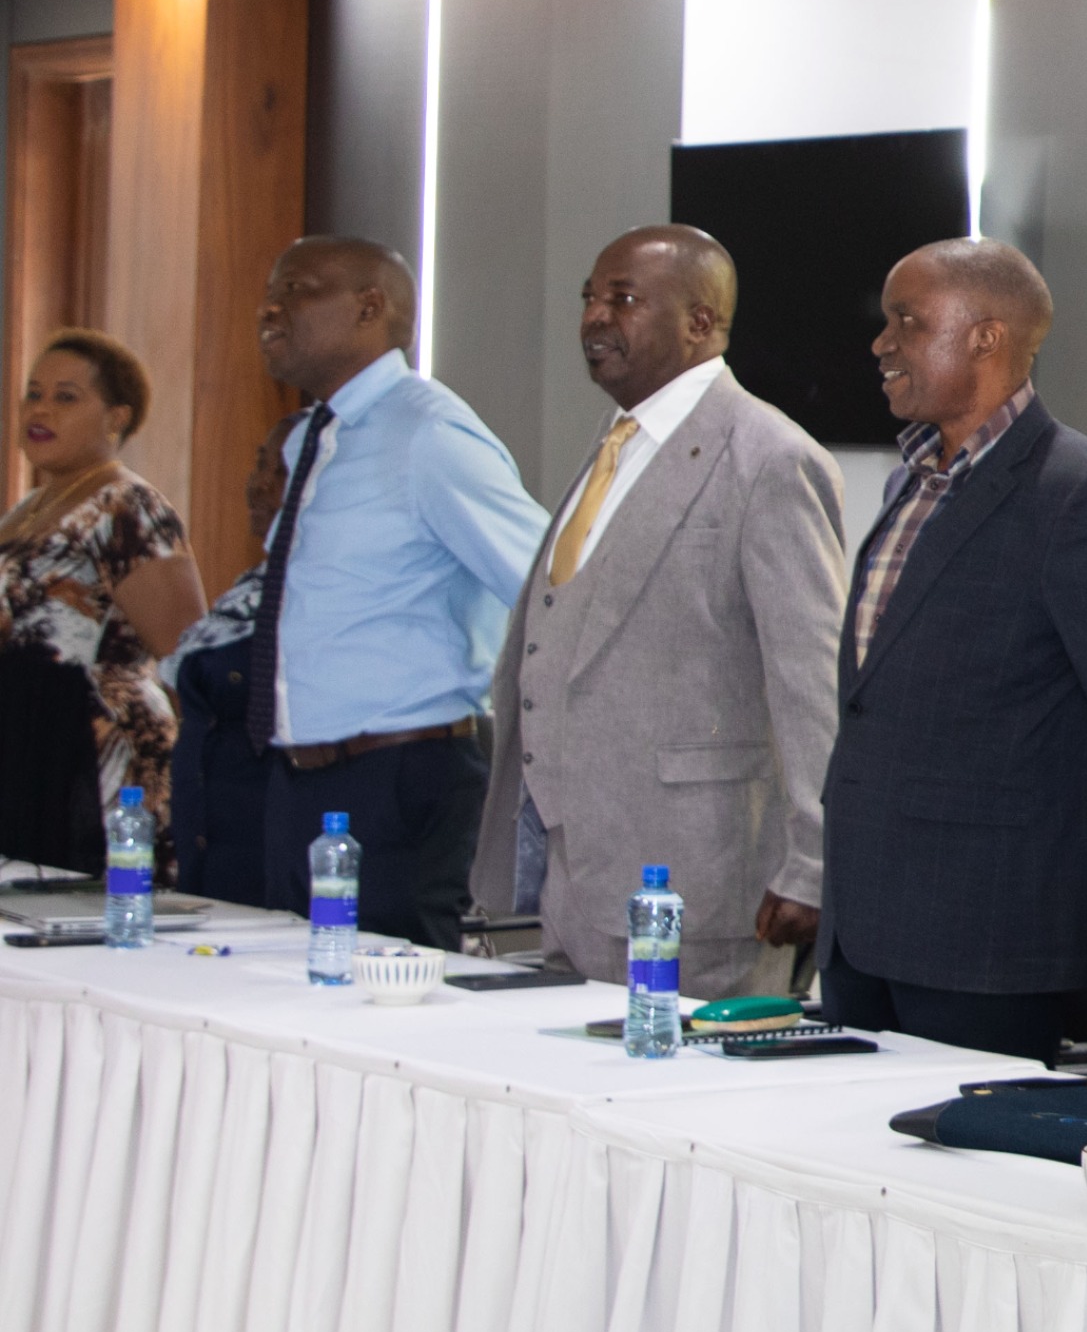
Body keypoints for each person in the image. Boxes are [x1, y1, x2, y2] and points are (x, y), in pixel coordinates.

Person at [473, 226, 845, 999]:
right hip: (577, 880)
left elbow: (812, 683)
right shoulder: (617, 445)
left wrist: (813, 865)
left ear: (700, 322)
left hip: (698, 886)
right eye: (589, 297)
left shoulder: (769, 457)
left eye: (624, 299)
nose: (594, 317)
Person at [817, 237, 1087, 1063]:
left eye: (907, 321)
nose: (881, 343)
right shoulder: (909, 483)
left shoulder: (1078, 495)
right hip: (860, 939)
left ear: (986, 337)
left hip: (987, 955)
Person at [248, 239, 549, 945]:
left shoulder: (428, 432)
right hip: (299, 779)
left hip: (397, 781)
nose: (270, 308)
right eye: (270, 291)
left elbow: (551, 587)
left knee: (393, 998)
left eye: (296, 289)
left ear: (369, 308)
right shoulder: (311, 440)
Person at [0, 331, 202, 872]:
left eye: (66, 397)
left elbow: (185, 652)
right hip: (27, 740)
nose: (41, 409)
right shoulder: (25, 509)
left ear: (117, 417)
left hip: (98, 754)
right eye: (33, 393)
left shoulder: (128, 506)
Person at [166, 436, 286, 903]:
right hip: (208, 844)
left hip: (271, 844)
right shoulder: (248, 589)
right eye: (259, 465)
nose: (260, 485)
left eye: (282, 471)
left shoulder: (334, 599)